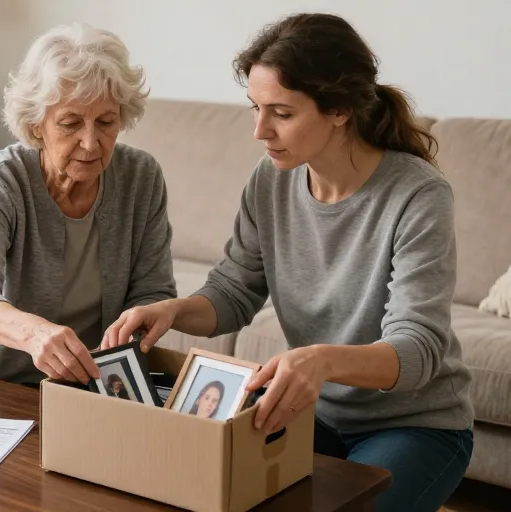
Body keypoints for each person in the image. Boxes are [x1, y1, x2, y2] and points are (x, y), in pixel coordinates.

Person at [100, 13, 473, 512]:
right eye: (255, 108)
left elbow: (419, 348)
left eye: (281, 112)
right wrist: (172, 310)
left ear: (339, 109)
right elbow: (233, 293)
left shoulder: (418, 196)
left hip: (415, 424)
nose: (260, 130)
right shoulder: (271, 180)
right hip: (313, 415)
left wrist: (319, 360)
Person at [0, 23, 177, 386]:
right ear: (37, 124)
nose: (90, 142)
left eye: (106, 122)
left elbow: (154, 289)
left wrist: (137, 324)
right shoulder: (0, 180)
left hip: (93, 385)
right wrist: (32, 333)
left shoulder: (141, 176)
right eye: (70, 123)